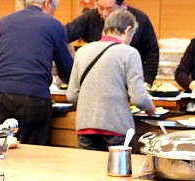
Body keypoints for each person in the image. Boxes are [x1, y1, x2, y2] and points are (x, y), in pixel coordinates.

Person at [0, 0, 74, 145]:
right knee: (34, 155)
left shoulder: (2, 23)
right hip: (34, 97)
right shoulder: (53, 25)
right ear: (48, 3)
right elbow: (67, 70)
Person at [66, 9, 155, 151]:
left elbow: (71, 95)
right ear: (128, 30)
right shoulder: (129, 53)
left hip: (85, 125)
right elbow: (138, 98)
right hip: (117, 126)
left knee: (85, 171)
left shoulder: (82, 51)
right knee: (118, 171)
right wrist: (149, 107)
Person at [65, 0, 160, 85]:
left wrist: (147, 81)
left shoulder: (140, 19)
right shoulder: (90, 18)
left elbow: (152, 53)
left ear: (123, 5)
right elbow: (62, 35)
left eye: (110, 9)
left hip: (131, 83)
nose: (104, 13)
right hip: (97, 83)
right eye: (100, 8)